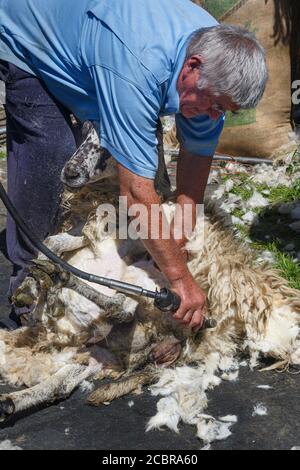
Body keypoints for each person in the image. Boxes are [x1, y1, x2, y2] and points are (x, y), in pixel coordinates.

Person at [0, 0, 268, 330]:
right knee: (50, 147)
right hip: (30, 34)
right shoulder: (139, 64)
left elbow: (197, 152)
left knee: (138, 158)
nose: (216, 116)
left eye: (224, 110)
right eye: (214, 105)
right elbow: (136, 193)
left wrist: (182, 229)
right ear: (192, 67)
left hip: (101, 45)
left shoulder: (212, 68)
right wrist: (181, 280)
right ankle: (30, 284)